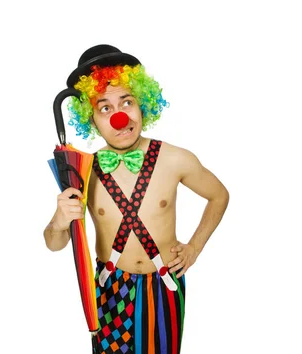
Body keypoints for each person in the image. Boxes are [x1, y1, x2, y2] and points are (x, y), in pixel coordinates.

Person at [43, 44, 229, 353]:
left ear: (142, 103)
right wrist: (58, 221)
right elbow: (55, 243)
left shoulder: (176, 159)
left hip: (165, 284)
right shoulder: (83, 170)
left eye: (126, 102)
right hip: (109, 288)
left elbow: (219, 195)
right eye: (104, 107)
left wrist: (194, 247)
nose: (119, 117)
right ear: (91, 119)